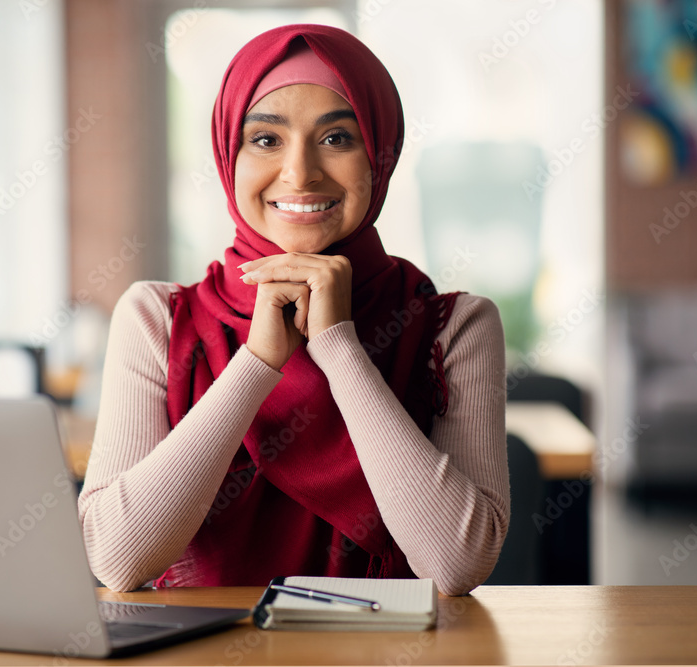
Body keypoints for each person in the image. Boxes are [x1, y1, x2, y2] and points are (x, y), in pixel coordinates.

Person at [77, 24, 509, 597]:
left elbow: (456, 565)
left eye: (336, 139)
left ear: (381, 154)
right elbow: (118, 559)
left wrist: (339, 348)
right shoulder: (158, 318)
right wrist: (257, 362)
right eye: (265, 139)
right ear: (228, 154)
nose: (300, 172)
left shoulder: (452, 327)